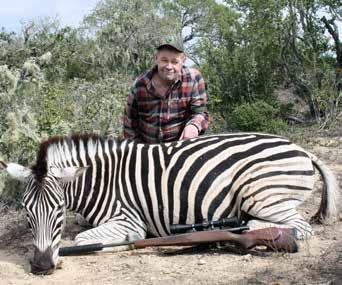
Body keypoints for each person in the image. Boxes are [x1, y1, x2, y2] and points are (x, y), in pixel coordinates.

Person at [123, 34, 210, 143]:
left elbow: (200, 113)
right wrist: (138, 152)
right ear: (156, 59)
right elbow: (129, 124)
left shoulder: (193, 79)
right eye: (164, 60)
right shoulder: (140, 84)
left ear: (183, 61)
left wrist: (194, 126)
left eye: (174, 62)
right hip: (148, 150)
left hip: (180, 148)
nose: (169, 66)